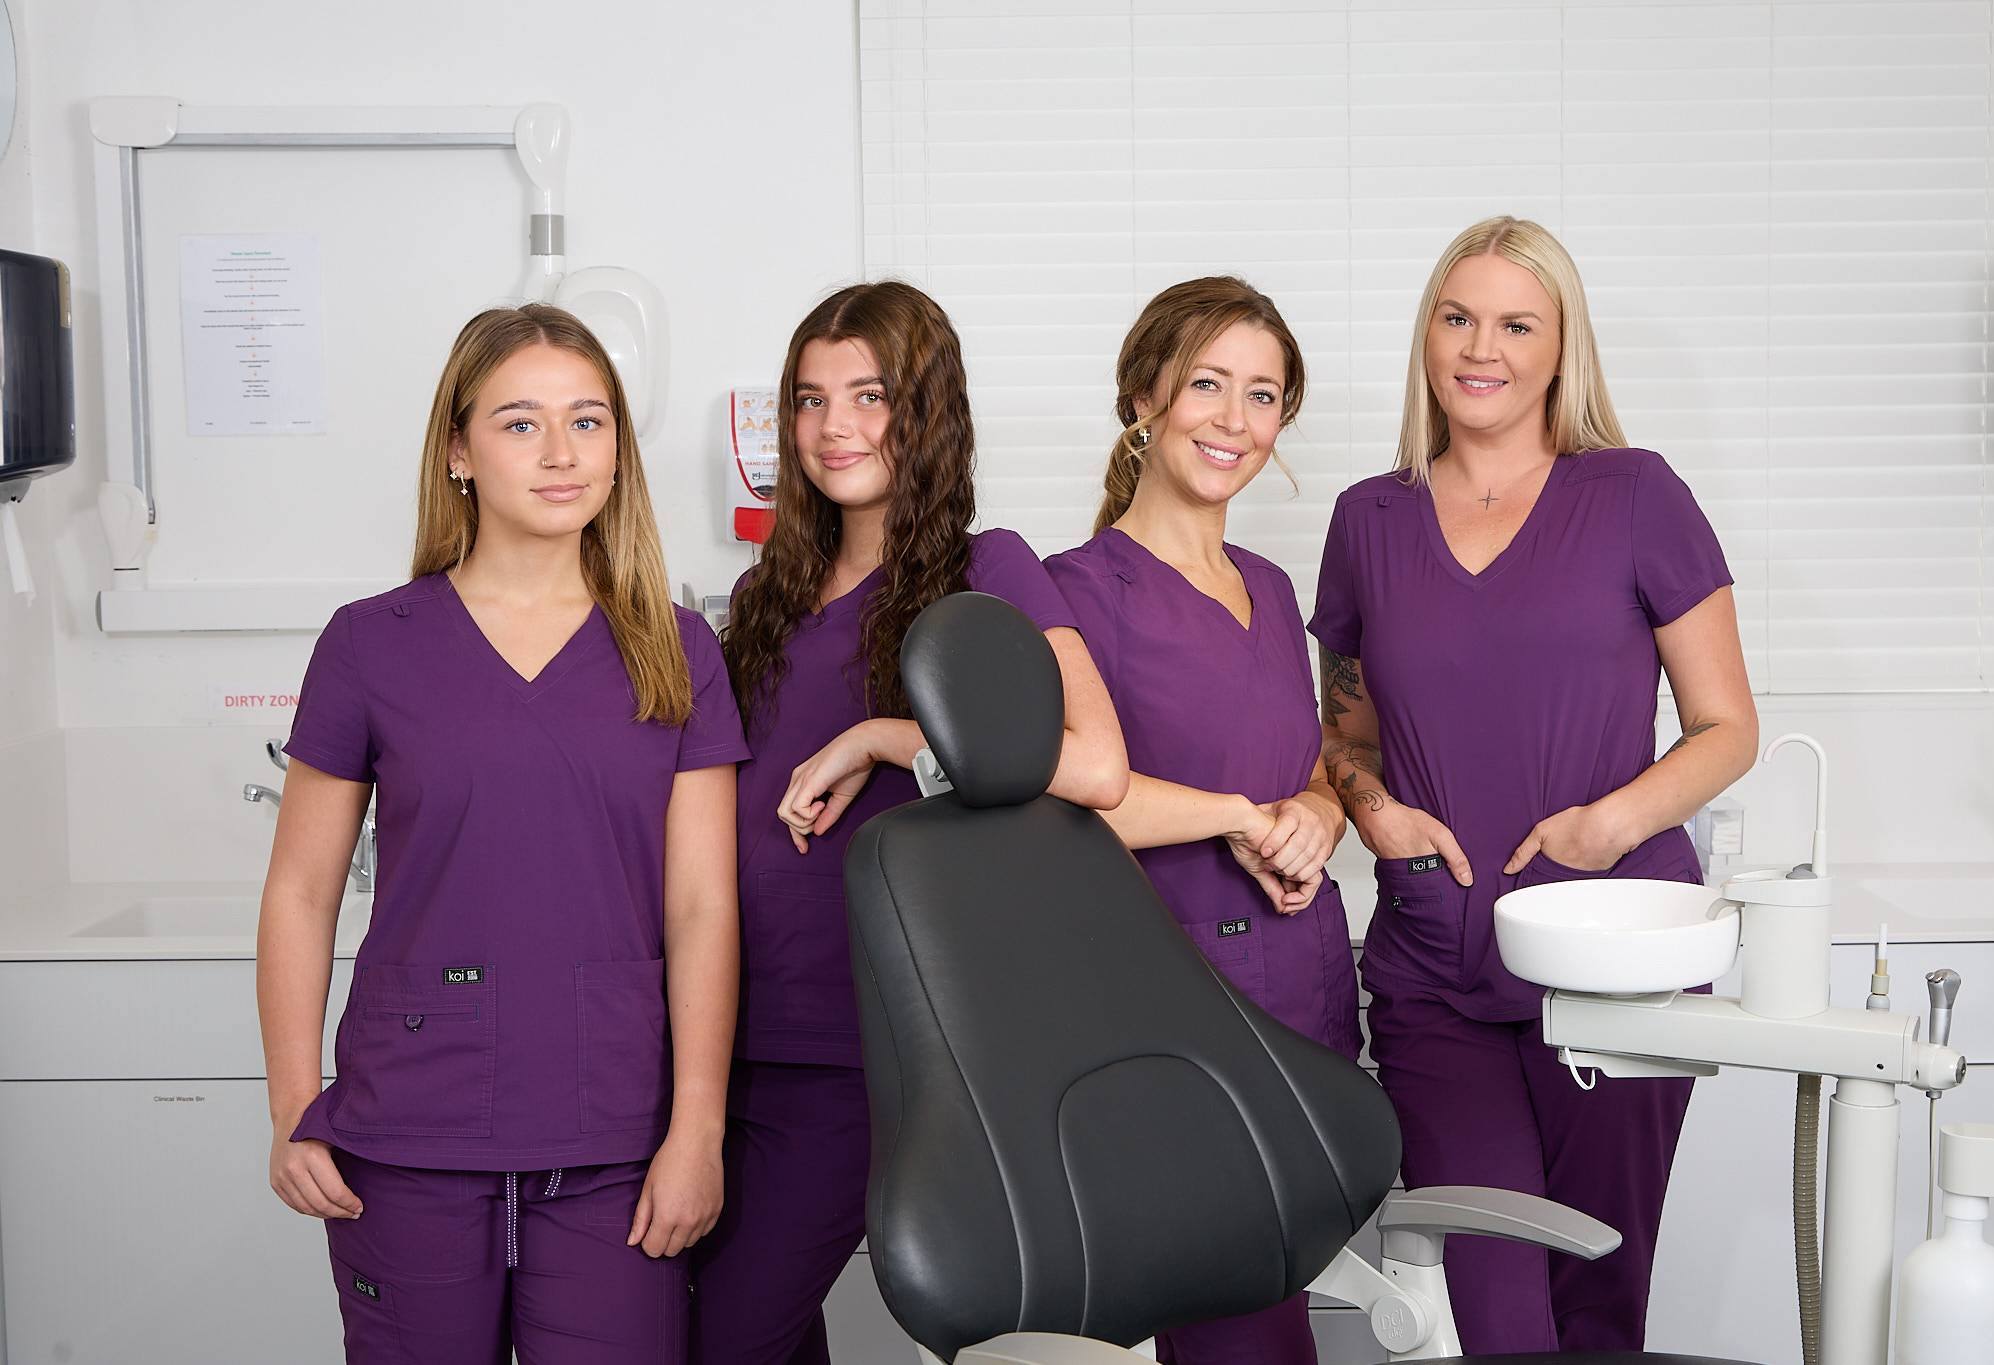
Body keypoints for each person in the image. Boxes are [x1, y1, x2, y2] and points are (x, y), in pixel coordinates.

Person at [256, 304, 747, 1362]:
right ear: (458, 452)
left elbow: (702, 905)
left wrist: (696, 1127)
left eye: (590, 420)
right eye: (520, 424)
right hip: (408, 1133)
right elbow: (299, 890)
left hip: (613, 1135)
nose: (563, 453)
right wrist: (295, 1102)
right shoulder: (367, 647)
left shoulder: (677, 648)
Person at [1310, 217, 1758, 1354]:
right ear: (1425, 336)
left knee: (1599, 1304)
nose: (1480, 348)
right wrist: (1375, 813)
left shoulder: (1633, 494)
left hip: (1613, 964)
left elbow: (1724, 726)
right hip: (1434, 971)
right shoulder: (1368, 518)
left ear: (1562, 349)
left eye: (1517, 323)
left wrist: (1611, 824)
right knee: (1493, 1309)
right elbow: (1342, 738)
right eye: (1455, 318)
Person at [691, 280, 1128, 1363]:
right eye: (809, 398)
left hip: (866, 1038)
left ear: (925, 411)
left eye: (869, 395)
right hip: (730, 1031)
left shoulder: (989, 574)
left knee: (727, 1331)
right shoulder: (763, 600)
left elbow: (1096, 768)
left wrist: (883, 739)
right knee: (748, 1326)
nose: (833, 427)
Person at [1046, 275, 1364, 1365]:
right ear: (1144, 398)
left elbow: (1307, 763)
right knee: (1238, 1333)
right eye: (1206, 386)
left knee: (1280, 1312)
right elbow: (1060, 795)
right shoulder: (1071, 593)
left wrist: (1321, 813)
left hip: (1304, 1001)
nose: (1233, 420)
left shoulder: (1272, 590)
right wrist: (1230, 817)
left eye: (1262, 395)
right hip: (1171, 1017)